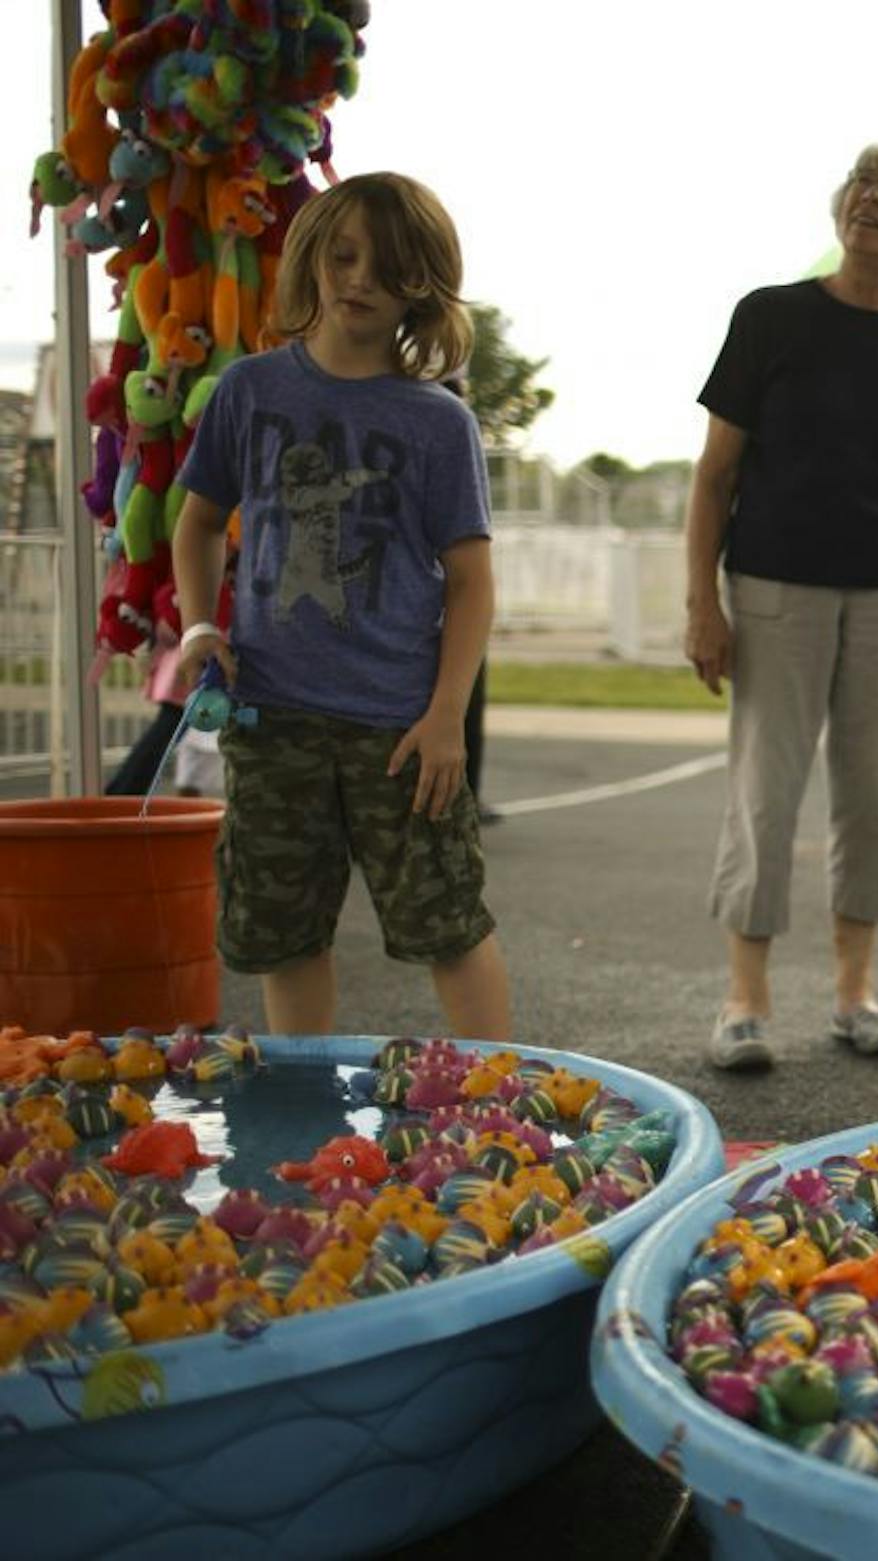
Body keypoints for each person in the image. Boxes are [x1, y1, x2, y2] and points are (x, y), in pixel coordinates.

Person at [170, 171, 511, 1041]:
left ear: (421, 289)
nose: (358, 279)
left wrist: (444, 716)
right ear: (313, 255)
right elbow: (198, 521)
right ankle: (305, 1106)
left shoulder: (439, 422)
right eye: (345, 255)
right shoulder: (248, 391)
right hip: (272, 716)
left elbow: (471, 580)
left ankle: (502, 1102)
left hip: (398, 730)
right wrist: (201, 623)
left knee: (449, 924)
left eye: (388, 267)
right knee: (285, 936)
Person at [684, 144, 878, 1074]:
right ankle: (745, 1002)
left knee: (870, 803)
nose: (873, 199)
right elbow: (714, 475)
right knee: (764, 796)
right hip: (776, 590)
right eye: (863, 184)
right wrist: (703, 602)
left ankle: (855, 996)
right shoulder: (770, 318)